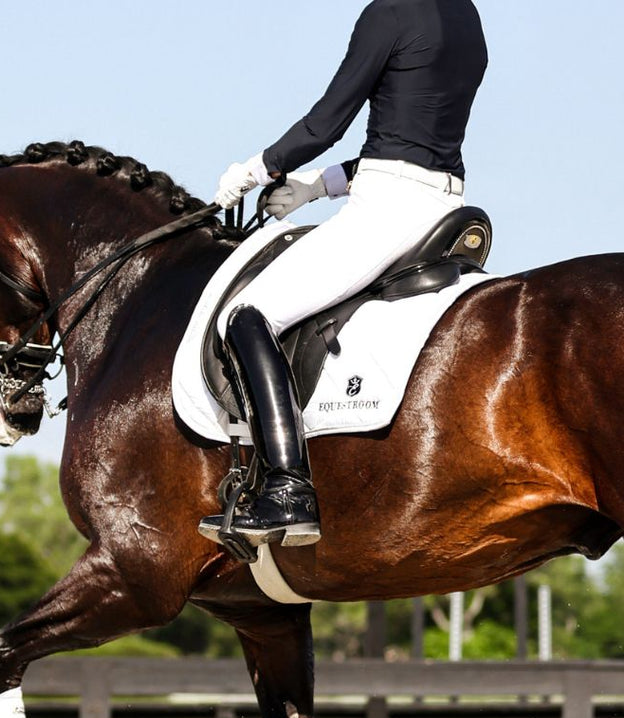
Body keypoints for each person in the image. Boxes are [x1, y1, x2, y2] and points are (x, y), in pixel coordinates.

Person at [199, 0, 487, 548]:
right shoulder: (466, 17)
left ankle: (287, 486)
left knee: (244, 315)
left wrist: (255, 170)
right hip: (445, 205)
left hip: (388, 210)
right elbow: (414, 137)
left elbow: (324, 122)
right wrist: (315, 188)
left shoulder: (390, 12)